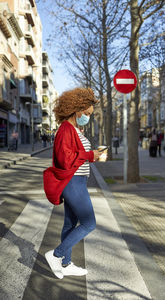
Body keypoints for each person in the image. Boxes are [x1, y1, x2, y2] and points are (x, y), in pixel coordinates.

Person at [43, 87, 102, 279]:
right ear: (76, 109)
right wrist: (90, 154)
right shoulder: (66, 129)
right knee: (89, 223)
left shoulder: (74, 129)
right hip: (73, 182)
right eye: (85, 113)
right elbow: (64, 158)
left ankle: (66, 264)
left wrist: (93, 154)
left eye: (89, 114)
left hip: (77, 181)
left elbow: (75, 154)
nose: (87, 116)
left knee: (70, 224)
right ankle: (56, 255)